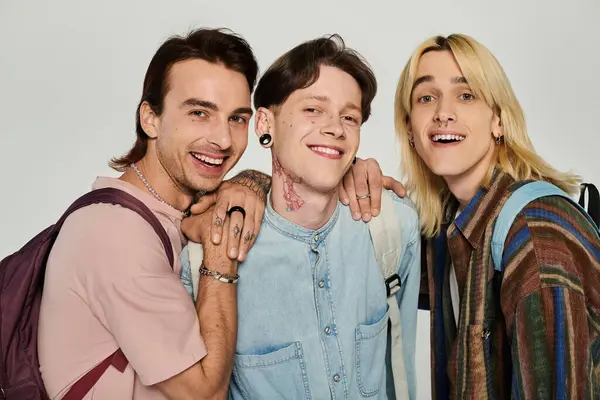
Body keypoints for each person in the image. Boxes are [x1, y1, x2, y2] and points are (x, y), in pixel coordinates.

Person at [37, 27, 405, 400]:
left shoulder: (172, 210)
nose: (223, 140)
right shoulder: (114, 232)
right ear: (150, 118)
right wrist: (221, 251)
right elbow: (204, 393)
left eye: (236, 118)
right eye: (199, 112)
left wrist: (279, 179)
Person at [181, 34, 421, 399]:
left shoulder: (392, 227)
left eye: (349, 117)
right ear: (265, 123)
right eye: (313, 109)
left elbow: (403, 371)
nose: (335, 128)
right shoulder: (204, 258)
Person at [394, 33, 600, 399]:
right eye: (426, 97)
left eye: (466, 94)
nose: (443, 112)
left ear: (498, 121)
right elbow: (377, 277)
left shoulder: (534, 232)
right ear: (410, 127)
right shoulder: (448, 226)